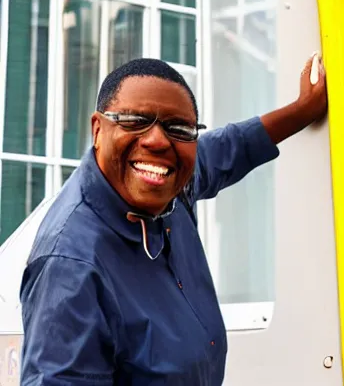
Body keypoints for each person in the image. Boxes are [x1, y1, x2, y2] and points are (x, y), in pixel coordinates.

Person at [20, 56, 327, 385]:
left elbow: (233, 145)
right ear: (98, 129)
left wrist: (302, 110)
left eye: (178, 128)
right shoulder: (70, 265)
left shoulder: (173, 182)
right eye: (135, 121)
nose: (158, 141)